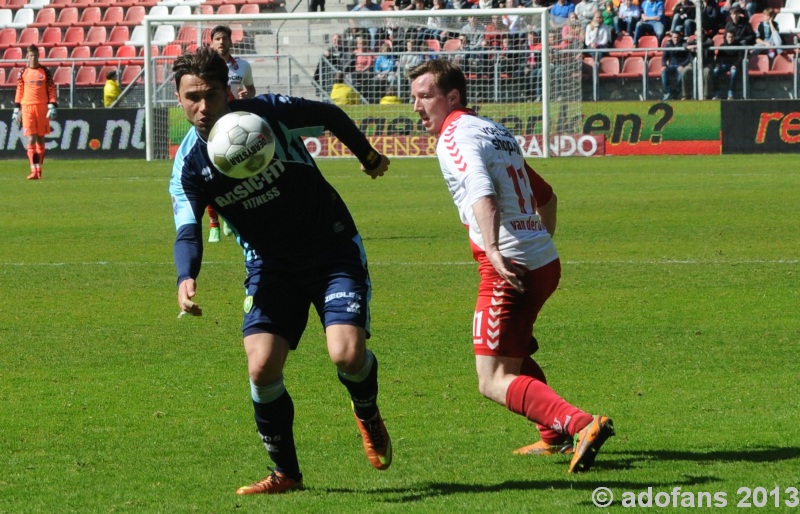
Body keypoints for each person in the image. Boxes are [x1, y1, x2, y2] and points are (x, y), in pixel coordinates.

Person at [170, 47, 391, 495]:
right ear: (179, 99)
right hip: (270, 265)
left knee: (347, 355)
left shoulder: (266, 114)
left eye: (210, 94)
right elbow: (188, 229)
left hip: (331, 248)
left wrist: (366, 156)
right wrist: (185, 275)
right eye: (191, 96)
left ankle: (366, 411)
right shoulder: (188, 165)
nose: (201, 106)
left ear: (227, 92)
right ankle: (286, 474)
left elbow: (328, 114)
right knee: (262, 367)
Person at [408, 59, 614, 473]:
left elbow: (481, 192)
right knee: (511, 350)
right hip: (542, 261)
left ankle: (580, 425)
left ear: (452, 97)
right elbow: (547, 197)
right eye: (414, 97)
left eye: (425, 96)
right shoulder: (496, 132)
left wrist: (498, 252)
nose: (416, 107)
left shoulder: (454, 137)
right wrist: (538, 243)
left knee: (492, 379)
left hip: (509, 264)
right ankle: (553, 436)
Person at [207, 25, 257, 242]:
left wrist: (248, 94)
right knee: (210, 174)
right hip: (213, 126)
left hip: (237, 127)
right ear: (211, 43)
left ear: (230, 41)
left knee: (236, 172)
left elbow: (251, 89)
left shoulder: (243, 66)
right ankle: (213, 224)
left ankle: (229, 218)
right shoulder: (206, 67)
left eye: (224, 38)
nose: (221, 42)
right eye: (217, 39)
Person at [12, 44, 57, 181]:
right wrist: (16, 109)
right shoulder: (23, 72)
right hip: (27, 107)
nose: (33, 58)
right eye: (31, 55)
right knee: (30, 138)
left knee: (40, 138)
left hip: (42, 107)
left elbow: (51, 89)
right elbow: (19, 90)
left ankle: (39, 170)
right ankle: (33, 171)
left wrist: (52, 105)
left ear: (38, 55)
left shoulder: (45, 72)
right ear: (27, 56)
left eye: (35, 55)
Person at [712, 30, 744, 99]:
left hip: (733, 66)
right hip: (723, 65)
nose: (730, 39)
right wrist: (717, 64)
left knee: (733, 72)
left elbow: (740, 58)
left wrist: (735, 65)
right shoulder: (722, 46)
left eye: (732, 37)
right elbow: (718, 58)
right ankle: (716, 94)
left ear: (734, 37)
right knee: (715, 71)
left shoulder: (739, 46)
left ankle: (730, 93)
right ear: (726, 37)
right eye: (729, 37)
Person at [660, 31, 692, 100]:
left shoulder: (684, 44)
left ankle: (676, 93)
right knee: (663, 72)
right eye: (674, 37)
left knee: (681, 74)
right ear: (672, 37)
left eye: (677, 37)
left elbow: (689, 57)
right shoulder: (668, 44)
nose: (676, 39)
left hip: (680, 65)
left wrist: (683, 65)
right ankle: (668, 92)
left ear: (680, 37)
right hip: (671, 65)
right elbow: (664, 57)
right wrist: (664, 65)